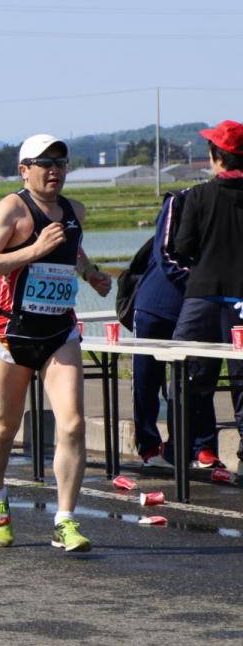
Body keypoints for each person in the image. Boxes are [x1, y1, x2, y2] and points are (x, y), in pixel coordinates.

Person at [0, 134, 112, 552]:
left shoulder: (75, 211)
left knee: (72, 423)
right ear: (24, 169)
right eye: (44, 162)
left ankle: (65, 520)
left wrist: (91, 275)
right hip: (12, 334)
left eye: (61, 162)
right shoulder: (12, 208)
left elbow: (74, 251)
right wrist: (33, 250)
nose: (54, 170)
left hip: (59, 332)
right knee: (4, 428)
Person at [172, 120, 243, 470]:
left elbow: (182, 247)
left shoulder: (199, 196)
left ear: (216, 156)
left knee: (189, 376)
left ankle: (191, 449)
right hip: (241, 300)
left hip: (202, 297)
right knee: (242, 381)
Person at [130, 179, 190, 471]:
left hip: (194, 307)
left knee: (189, 380)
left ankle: (186, 447)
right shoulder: (181, 200)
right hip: (156, 303)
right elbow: (164, 254)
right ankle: (149, 445)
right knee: (146, 380)